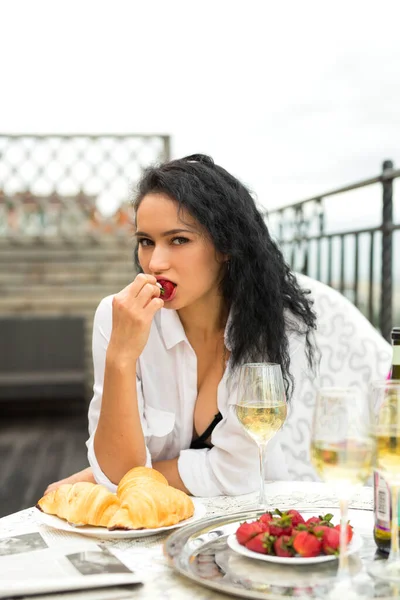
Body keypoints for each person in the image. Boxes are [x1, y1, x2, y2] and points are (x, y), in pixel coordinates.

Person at [45, 154, 317, 497]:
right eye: (146, 241)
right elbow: (117, 474)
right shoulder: (116, 317)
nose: (155, 262)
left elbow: (241, 474)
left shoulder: (273, 325)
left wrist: (98, 477)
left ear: (224, 246)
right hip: (153, 528)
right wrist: (121, 357)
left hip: (251, 518)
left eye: (178, 240)